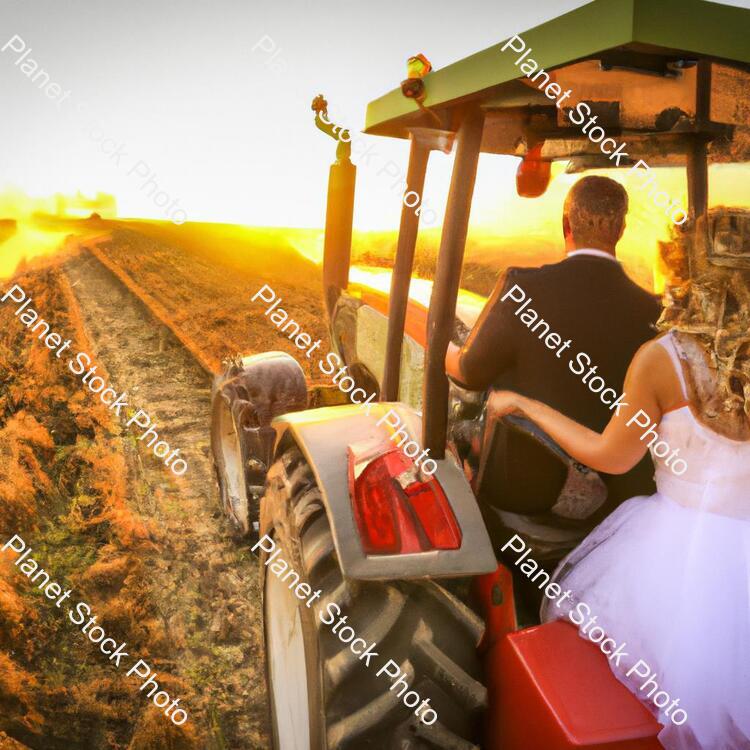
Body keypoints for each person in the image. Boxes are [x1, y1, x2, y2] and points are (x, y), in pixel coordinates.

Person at [487, 251, 750, 749]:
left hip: (672, 559)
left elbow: (611, 457)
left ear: (691, 276)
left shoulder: (663, 358)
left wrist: (527, 404)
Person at [445, 176, 660, 594]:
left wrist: (446, 350)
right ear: (620, 229)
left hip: (521, 493)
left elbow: (467, 373)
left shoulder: (522, 289)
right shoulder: (653, 311)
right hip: (619, 503)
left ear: (566, 223)